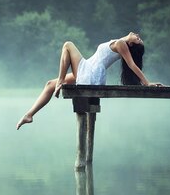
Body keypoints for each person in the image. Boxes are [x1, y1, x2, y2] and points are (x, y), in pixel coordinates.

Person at [16, 32, 162, 130]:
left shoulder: (122, 44)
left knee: (68, 45)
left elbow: (132, 65)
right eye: (139, 37)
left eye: (138, 39)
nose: (138, 35)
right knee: (49, 84)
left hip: (90, 71)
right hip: (89, 68)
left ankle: (60, 81)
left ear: (131, 45)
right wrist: (129, 37)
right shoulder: (122, 42)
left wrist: (146, 83)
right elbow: (127, 42)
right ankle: (29, 115)